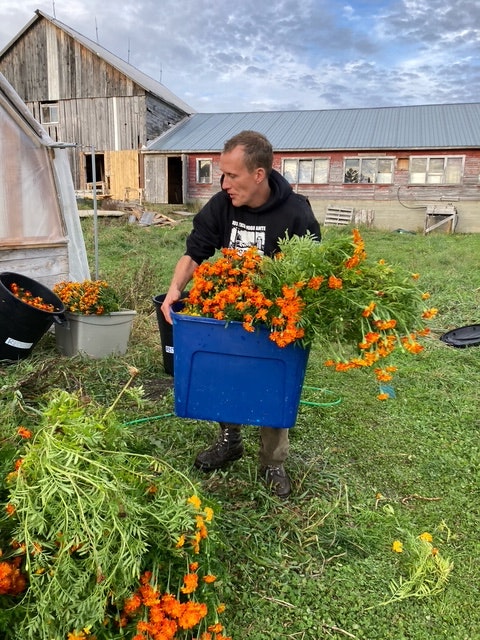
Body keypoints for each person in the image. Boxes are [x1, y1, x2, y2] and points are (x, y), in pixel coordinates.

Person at [161, 130, 320, 498]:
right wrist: (175, 290)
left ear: (259, 174)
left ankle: (273, 463)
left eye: (233, 176)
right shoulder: (222, 205)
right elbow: (195, 251)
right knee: (227, 375)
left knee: (272, 384)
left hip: (276, 315)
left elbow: (311, 271)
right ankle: (230, 440)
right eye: (222, 174)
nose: (225, 183)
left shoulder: (295, 213)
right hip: (232, 308)